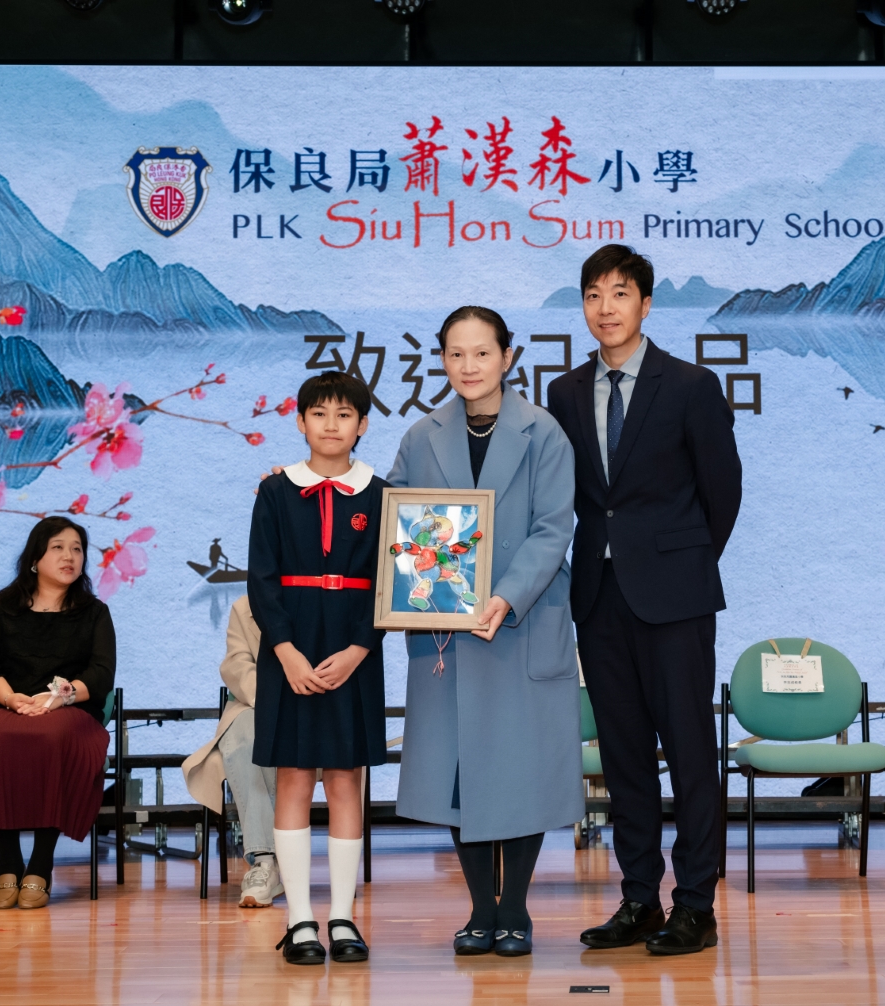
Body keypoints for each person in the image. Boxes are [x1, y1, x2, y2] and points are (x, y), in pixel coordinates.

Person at [545, 244, 742, 955]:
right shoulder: (564, 393)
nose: (606, 308)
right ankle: (639, 898)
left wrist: (680, 564)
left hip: (676, 598)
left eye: (620, 293)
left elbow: (723, 492)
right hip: (599, 597)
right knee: (624, 755)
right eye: (594, 295)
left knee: (689, 752)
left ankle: (695, 905)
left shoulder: (690, 384)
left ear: (647, 304)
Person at [388, 306, 582, 958]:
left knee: (520, 770)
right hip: (447, 633)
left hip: (520, 622)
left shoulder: (544, 432)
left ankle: (516, 909)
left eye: (481, 353)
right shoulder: (422, 437)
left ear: (507, 357)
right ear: (442, 360)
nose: (468, 366)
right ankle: (479, 909)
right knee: (460, 773)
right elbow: (397, 523)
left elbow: (554, 528)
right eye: (455, 354)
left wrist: (506, 595)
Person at [246, 370, 388, 964]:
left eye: (344, 414)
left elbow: (390, 583)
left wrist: (359, 650)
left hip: (355, 648)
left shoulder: (381, 494)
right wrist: (286, 652)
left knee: (348, 779)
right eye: (320, 414)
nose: (332, 425)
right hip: (291, 650)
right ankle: (301, 919)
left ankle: (344, 918)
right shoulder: (275, 492)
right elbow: (261, 579)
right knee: (294, 778)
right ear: (301, 421)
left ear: (363, 425)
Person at [0, 516, 116, 910]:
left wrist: (58, 697)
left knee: (50, 737)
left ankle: (41, 863)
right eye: (58, 548)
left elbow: (101, 674)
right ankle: (8, 862)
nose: (70, 556)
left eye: (77, 549)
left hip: (69, 711)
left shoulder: (94, 612)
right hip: (8, 706)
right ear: (35, 557)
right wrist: (12, 700)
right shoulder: (3, 606)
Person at [182, 594, 284, 908]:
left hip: (317, 706)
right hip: (258, 703)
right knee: (248, 738)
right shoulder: (245, 606)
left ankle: (287, 859)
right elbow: (237, 665)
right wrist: (275, 699)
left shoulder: (325, 593)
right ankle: (264, 861)